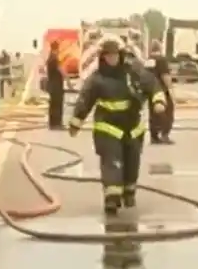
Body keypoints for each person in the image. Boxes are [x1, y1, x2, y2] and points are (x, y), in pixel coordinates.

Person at [69, 38, 167, 214]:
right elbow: (85, 100)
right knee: (112, 163)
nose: (112, 58)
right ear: (102, 57)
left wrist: (158, 101)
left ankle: (129, 193)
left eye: (114, 55)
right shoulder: (97, 79)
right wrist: (76, 122)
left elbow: (151, 83)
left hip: (132, 128)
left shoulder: (132, 73)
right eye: (108, 55)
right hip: (108, 128)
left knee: (132, 163)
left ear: (120, 55)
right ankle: (112, 198)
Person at [148, 48, 175, 144]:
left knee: (153, 113)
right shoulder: (162, 60)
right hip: (162, 90)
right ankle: (164, 134)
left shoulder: (149, 60)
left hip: (151, 90)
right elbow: (165, 76)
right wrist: (171, 90)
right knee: (168, 111)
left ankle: (154, 136)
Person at [46, 41, 65, 129]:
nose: (59, 51)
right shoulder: (54, 59)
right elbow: (61, 70)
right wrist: (68, 81)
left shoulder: (49, 58)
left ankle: (52, 124)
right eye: (58, 49)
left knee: (53, 105)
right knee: (57, 105)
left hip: (52, 85)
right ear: (56, 49)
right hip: (56, 86)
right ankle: (57, 124)